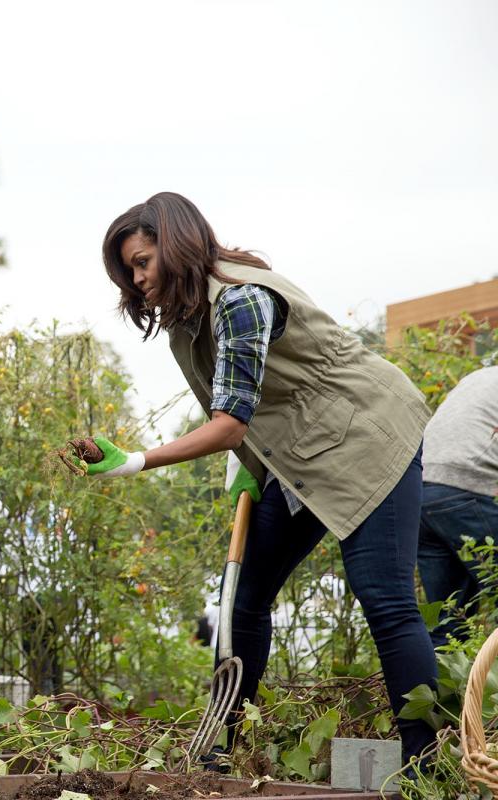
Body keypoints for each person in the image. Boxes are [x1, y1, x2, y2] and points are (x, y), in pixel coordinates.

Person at [71, 192, 436, 766]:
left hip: (369, 438)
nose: (137, 279)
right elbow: (248, 414)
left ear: (177, 244)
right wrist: (247, 470)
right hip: (304, 456)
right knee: (242, 599)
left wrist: (136, 459)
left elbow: (228, 424)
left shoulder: (240, 299)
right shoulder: (189, 323)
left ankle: (426, 766)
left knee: (385, 600)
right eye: (129, 270)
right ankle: (218, 747)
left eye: (142, 262)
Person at [417, 365, 498, 647]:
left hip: (419, 493)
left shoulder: (478, 377)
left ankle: (447, 690)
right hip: (467, 489)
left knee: (450, 623)